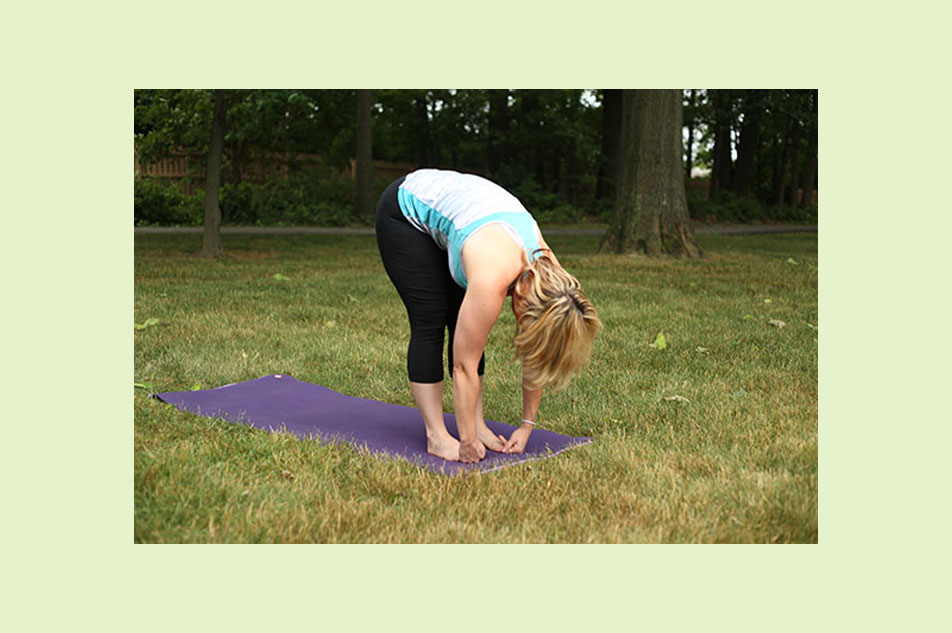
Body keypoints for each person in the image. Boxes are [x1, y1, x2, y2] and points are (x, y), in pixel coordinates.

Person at [374, 168, 601, 463]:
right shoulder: (492, 277)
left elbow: (537, 350)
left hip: (469, 222)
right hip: (405, 211)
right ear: (522, 299)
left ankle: (478, 424)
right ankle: (437, 436)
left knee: (464, 322)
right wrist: (465, 442)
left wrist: (526, 424)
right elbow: (463, 365)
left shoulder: (555, 281)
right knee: (431, 320)